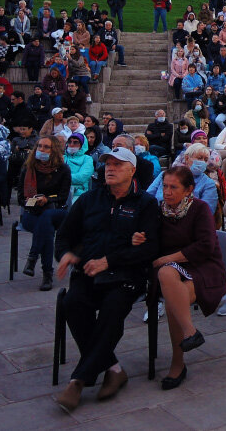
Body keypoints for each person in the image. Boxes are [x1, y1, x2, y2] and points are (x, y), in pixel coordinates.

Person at [52, 147, 160, 412]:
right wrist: (65, 254)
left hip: (125, 275)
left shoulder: (145, 203)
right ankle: (113, 369)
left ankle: (78, 380)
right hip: (88, 273)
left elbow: (150, 248)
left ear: (132, 170)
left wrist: (110, 261)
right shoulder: (89, 199)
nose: (109, 168)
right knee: (73, 304)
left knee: (112, 311)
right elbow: (64, 235)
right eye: (107, 163)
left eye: (117, 164)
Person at [139, 165, 225, 389]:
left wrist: (168, 258)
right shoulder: (159, 211)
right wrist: (139, 239)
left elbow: (206, 246)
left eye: (173, 187)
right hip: (173, 270)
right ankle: (190, 332)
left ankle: (178, 363)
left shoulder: (200, 209)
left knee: (171, 297)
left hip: (204, 267)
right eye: (165, 186)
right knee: (168, 278)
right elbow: (152, 244)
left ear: (188, 190)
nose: (167, 192)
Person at [18, 136, 72, 290]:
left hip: (57, 212)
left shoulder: (63, 169)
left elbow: (63, 198)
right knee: (46, 228)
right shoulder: (28, 168)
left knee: (47, 216)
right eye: (39, 146)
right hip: (32, 212)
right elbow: (21, 198)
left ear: (53, 150)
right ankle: (47, 273)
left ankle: (33, 257)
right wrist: (34, 201)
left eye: (46, 147)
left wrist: (47, 199)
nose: (41, 149)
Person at [146, 143, 218, 213]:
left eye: (205, 160)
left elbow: (207, 211)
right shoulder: (164, 175)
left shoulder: (208, 183)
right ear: (187, 158)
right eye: (199, 158)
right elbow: (148, 197)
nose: (202, 162)